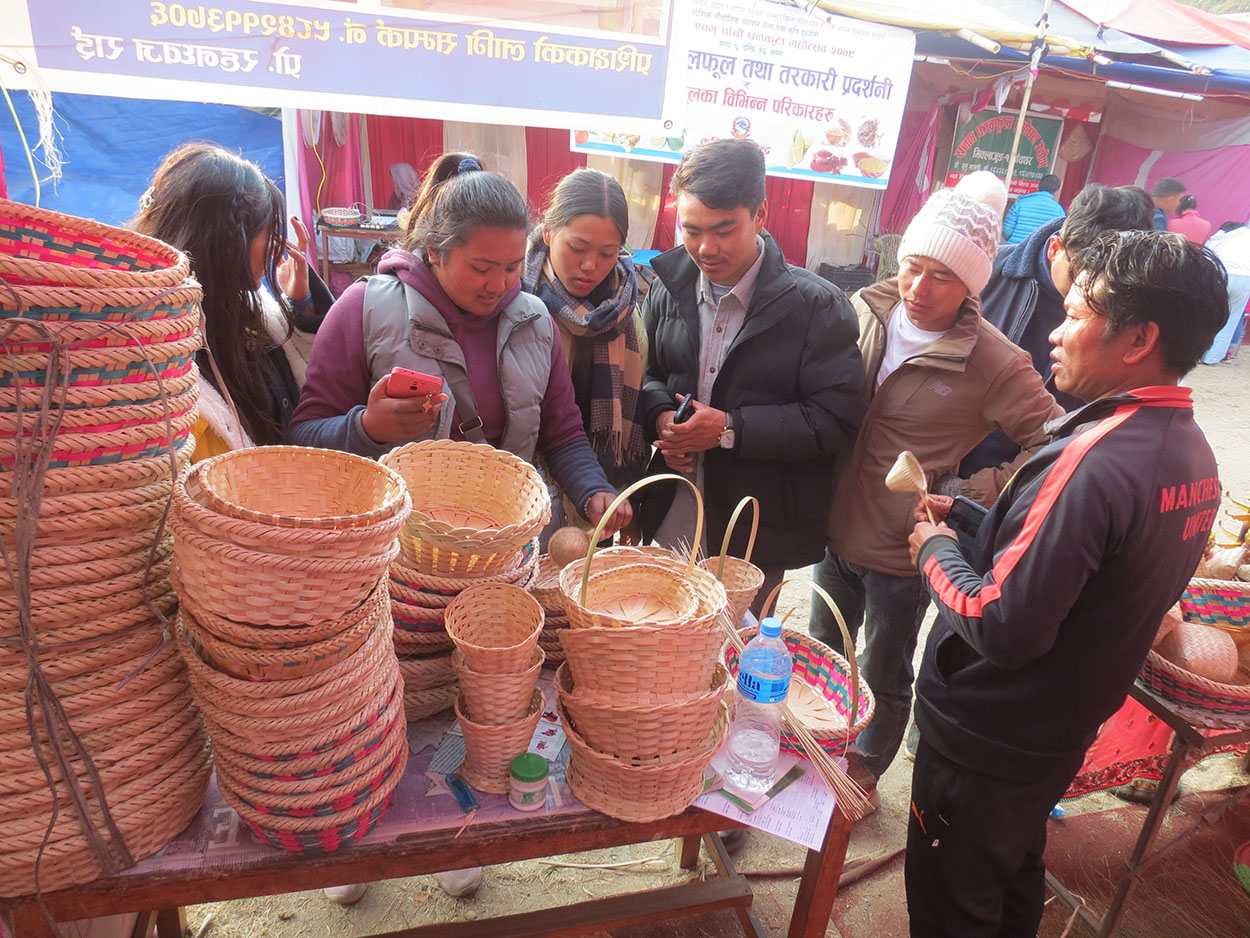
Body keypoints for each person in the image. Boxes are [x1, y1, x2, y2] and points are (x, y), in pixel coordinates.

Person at [905, 229, 1227, 937]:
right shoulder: (1190, 454)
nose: (1055, 332)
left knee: (953, 899)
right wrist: (969, 517)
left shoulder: (1091, 459)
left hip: (990, 735)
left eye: (1076, 314)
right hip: (1058, 728)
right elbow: (1081, 566)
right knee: (1011, 868)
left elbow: (1002, 624)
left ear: (1139, 338)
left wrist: (934, 550)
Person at [810, 171, 1062, 797]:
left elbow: (1054, 444)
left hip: (901, 553)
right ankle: (811, 754)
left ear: (973, 283)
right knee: (820, 655)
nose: (919, 288)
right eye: (913, 267)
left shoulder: (994, 360)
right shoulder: (865, 311)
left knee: (883, 672)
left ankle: (862, 778)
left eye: (942, 276)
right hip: (831, 532)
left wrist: (971, 491)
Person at [290, 153, 629, 531]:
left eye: (512, 267)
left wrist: (593, 490)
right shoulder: (363, 309)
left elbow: (562, 434)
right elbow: (302, 438)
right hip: (393, 542)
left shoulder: (535, 323)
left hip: (499, 540)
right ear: (435, 250)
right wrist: (367, 428)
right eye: (481, 269)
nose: (498, 286)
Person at [637, 138, 863, 613]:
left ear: (760, 215)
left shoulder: (816, 307)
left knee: (742, 645)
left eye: (724, 230)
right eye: (691, 230)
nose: (706, 248)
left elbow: (835, 419)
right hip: (675, 510)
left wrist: (729, 429)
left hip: (757, 527)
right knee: (666, 639)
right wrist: (661, 418)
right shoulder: (667, 287)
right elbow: (650, 376)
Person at [133, 143, 332, 461]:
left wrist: (303, 307)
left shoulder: (255, 311)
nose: (276, 247)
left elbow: (305, 394)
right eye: (269, 232)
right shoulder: (156, 351)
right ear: (226, 239)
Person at [961, 184, 1154, 476]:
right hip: (957, 463)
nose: (1092, 288)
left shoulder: (1127, 304)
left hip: (1045, 471)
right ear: (1055, 248)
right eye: (1082, 272)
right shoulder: (985, 272)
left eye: (1108, 277)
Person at [522, 168, 647, 529]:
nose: (590, 266)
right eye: (576, 248)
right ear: (548, 232)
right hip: (523, 490)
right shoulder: (517, 300)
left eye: (607, 253)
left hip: (594, 497)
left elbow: (641, 395)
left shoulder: (626, 310)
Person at [1202, 221, 1250, 363]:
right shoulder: (1247, 236)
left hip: (1221, 274)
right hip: (1245, 278)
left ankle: (1198, 352)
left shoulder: (1218, 238)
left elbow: (1206, 258)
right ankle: (1213, 358)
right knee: (1232, 318)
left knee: (1209, 315)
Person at [1001, 174, 1065, 245]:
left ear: (1039, 185)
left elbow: (1007, 232)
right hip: (1038, 250)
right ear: (1057, 190)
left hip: (1015, 247)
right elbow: (1059, 235)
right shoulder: (1059, 210)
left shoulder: (1020, 204)